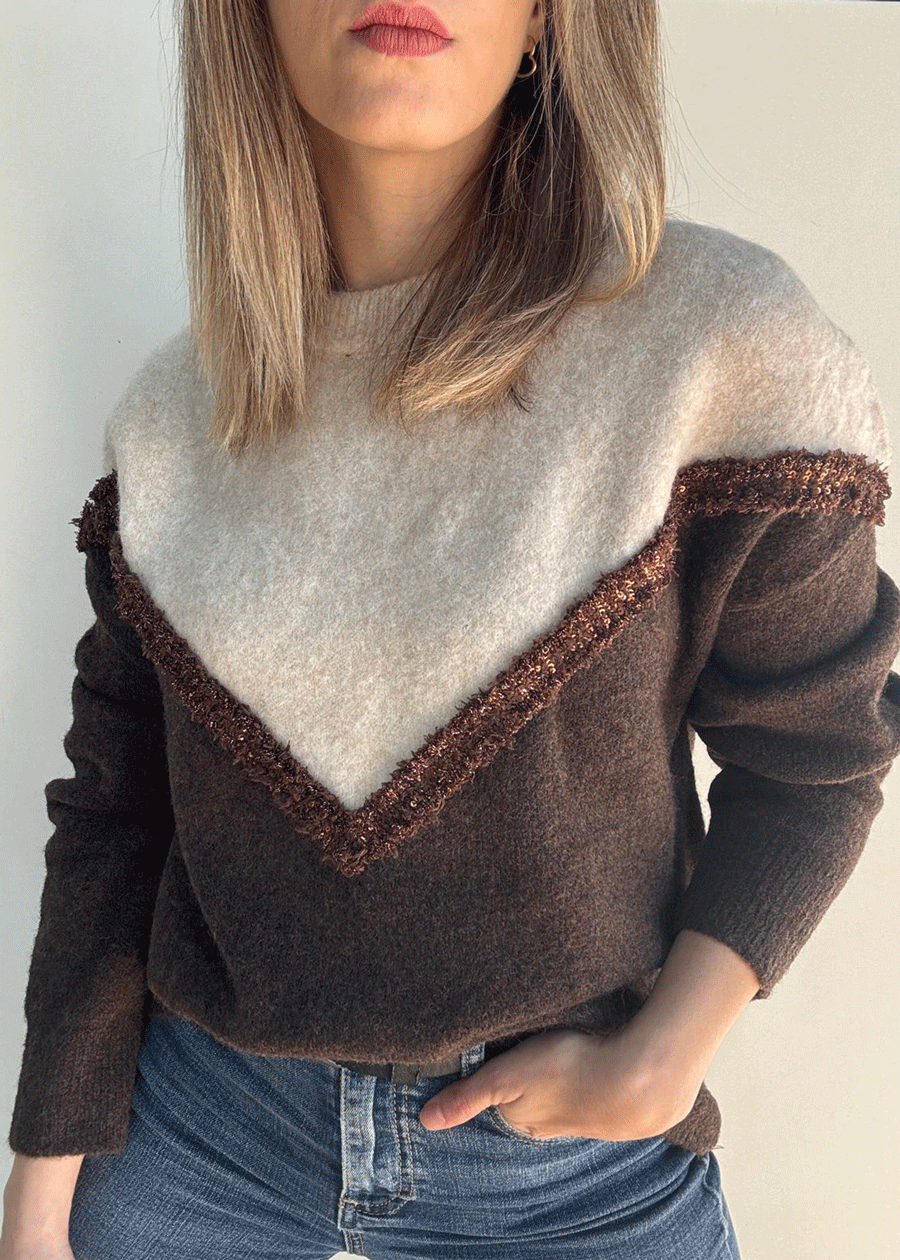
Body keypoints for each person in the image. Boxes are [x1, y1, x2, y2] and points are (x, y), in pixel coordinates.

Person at [3, 2, 900, 1257]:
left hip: (568, 1173)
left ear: (546, 19)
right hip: (201, 1135)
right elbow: (115, 818)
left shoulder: (721, 346)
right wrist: (41, 1179)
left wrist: (664, 1055)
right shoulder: (168, 426)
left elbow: (817, 752)